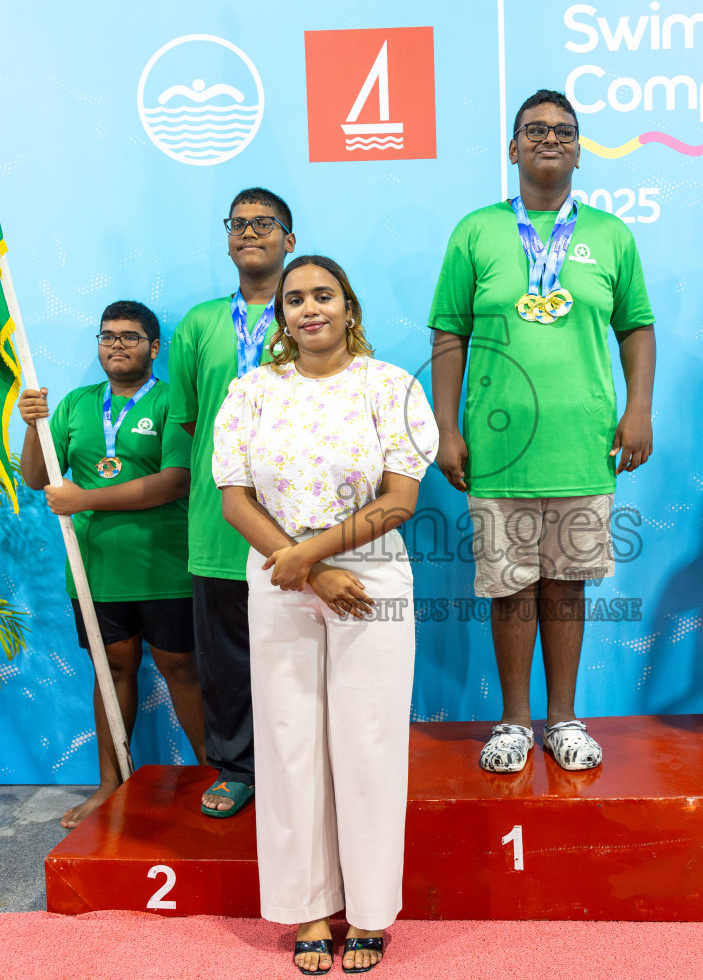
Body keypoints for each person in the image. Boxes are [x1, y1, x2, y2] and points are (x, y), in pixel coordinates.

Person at [213, 255, 437, 975]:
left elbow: (399, 500)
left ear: (350, 307)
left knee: (369, 747)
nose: (310, 309)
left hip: (368, 579)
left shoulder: (390, 386)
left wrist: (315, 558)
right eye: (295, 299)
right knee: (287, 746)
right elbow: (235, 500)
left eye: (324, 296)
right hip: (280, 579)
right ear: (280, 316)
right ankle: (308, 909)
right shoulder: (251, 391)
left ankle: (369, 914)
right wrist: (307, 567)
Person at [429, 88, 656, 775]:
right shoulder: (476, 231)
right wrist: (445, 425)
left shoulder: (612, 235)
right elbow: (448, 332)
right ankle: (513, 721)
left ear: (579, 149)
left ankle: (562, 719)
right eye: (535, 129)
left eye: (563, 130)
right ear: (513, 148)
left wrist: (638, 408)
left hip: (584, 447)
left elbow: (637, 327)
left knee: (567, 587)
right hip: (498, 450)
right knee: (510, 588)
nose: (549, 139)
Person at [18, 300, 204, 829]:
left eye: (129, 336)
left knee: (182, 670)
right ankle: (111, 783)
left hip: (165, 567)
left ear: (153, 346)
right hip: (95, 570)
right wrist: (34, 426)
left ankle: (218, 776)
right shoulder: (77, 404)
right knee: (112, 669)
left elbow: (175, 481)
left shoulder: (173, 402)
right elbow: (37, 477)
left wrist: (87, 500)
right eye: (107, 336)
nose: (117, 344)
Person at [167, 187, 295, 818]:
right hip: (220, 525)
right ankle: (238, 767)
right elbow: (191, 420)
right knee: (225, 658)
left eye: (264, 223)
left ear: (288, 241)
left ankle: (297, 766)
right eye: (238, 223)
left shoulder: (308, 312)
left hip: (296, 521)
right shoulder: (198, 325)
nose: (250, 232)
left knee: (294, 651)